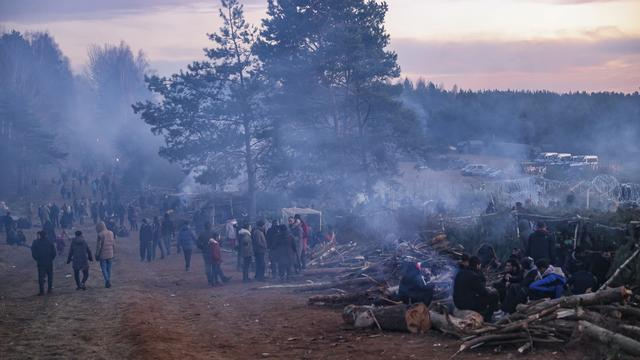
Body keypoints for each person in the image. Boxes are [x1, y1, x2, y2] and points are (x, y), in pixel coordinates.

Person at [453, 256, 499, 321]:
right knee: (494, 296)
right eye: (480, 265)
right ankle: (487, 318)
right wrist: (490, 290)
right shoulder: (473, 276)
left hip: (457, 302)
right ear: (477, 265)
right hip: (466, 304)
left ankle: (483, 312)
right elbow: (483, 292)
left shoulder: (460, 273)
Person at [31, 231, 56, 295]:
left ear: (40, 235)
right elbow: (54, 253)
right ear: (46, 235)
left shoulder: (36, 242)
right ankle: (49, 290)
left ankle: (41, 291)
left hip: (41, 262)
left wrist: (37, 258)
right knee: (50, 276)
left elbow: (33, 251)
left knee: (41, 277)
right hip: (49, 262)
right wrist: (51, 259)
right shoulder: (50, 242)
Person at [95, 221, 116, 288]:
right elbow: (113, 243)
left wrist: (96, 254)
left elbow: (98, 246)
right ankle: (108, 280)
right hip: (110, 253)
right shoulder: (111, 232)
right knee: (109, 268)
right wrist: (114, 251)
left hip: (103, 254)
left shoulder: (100, 234)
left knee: (103, 268)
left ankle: (107, 280)